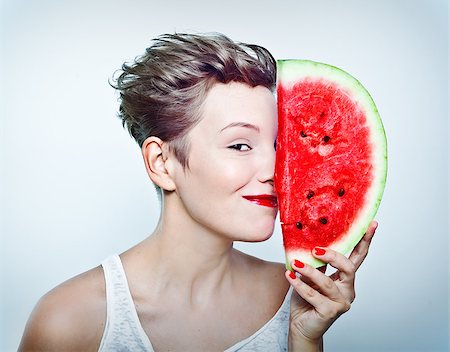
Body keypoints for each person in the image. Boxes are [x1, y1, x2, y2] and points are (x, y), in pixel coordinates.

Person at [19, 32, 378, 352]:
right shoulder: (68, 321)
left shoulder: (293, 298)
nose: (276, 172)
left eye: (278, 146)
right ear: (161, 162)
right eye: (240, 145)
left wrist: (305, 339)